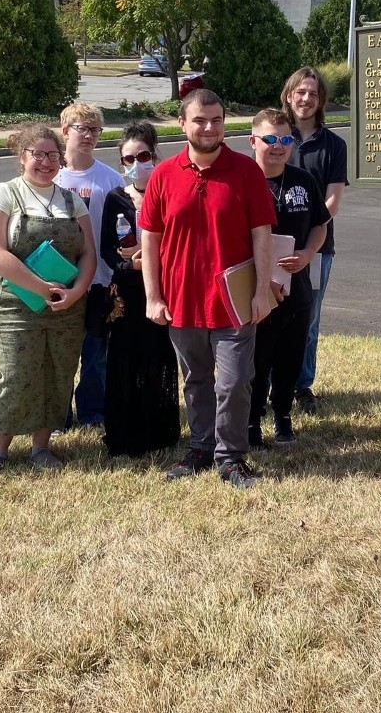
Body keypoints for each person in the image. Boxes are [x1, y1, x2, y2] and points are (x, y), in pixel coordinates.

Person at [140, 88, 276, 489]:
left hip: (233, 302)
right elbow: (150, 240)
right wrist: (153, 296)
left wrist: (261, 291)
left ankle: (231, 457)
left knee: (234, 381)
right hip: (182, 300)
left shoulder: (246, 172)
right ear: (182, 123)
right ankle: (201, 448)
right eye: (200, 120)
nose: (209, 127)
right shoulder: (164, 175)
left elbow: (262, 234)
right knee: (196, 380)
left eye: (216, 120)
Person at [0, 123, 96, 478]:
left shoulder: (72, 201)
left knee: (58, 373)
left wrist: (76, 292)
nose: (46, 162)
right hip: (16, 304)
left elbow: (87, 253)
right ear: (22, 156)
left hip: (66, 307)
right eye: (38, 154)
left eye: (53, 155)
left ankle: (41, 447)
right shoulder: (4, 194)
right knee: (16, 374)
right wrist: (42, 288)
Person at [246, 110, 329, 448]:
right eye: (270, 139)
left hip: (297, 291)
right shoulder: (242, 181)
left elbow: (321, 224)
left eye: (285, 140)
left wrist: (308, 254)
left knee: (290, 357)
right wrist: (264, 280)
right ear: (253, 141)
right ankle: (251, 421)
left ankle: (282, 417)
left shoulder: (303, 180)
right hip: (255, 291)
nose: (278, 147)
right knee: (256, 360)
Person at [99, 122, 181, 456]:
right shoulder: (115, 198)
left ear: (154, 154)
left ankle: (158, 430)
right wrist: (130, 264)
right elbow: (107, 249)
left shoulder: (169, 190)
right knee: (123, 360)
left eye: (143, 155)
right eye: (128, 158)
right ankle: (124, 433)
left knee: (157, 357)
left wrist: (147, 256)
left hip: (163, 290)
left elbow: (177, 241)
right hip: (126, 296)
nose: (136, 163)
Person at [54, 103, 126, 432]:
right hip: (58, 279)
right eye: (82, 128)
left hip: (99, 280)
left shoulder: (110, 179)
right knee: (59, 353)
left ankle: (93, 411)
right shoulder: (49, 175)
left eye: (95, 130)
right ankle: (58, 414)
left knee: (96, 351)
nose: (88, 136)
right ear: (65, 131)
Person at [282, 67, 348, 415]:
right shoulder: (275, 138)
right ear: (289, 95)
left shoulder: (334, 145)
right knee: (270, 317)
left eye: (313, 93)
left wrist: (307, 242)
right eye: (300, 92)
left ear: (320, 100)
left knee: (308, 319)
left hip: (318, 248)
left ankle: (301, 385)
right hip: (273, 246)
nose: (306, 99)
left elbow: (333, 200)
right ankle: (270, 382)